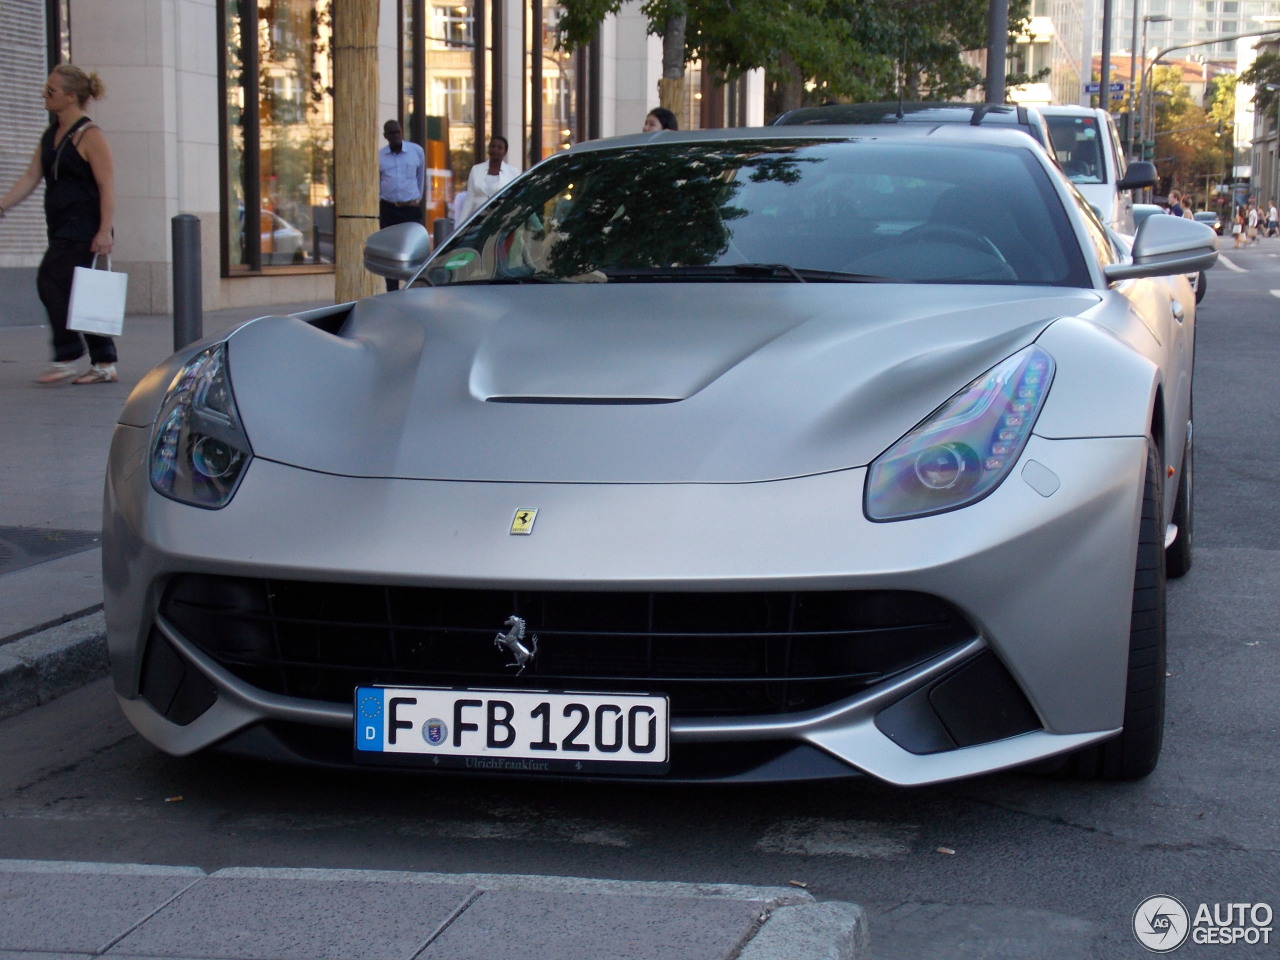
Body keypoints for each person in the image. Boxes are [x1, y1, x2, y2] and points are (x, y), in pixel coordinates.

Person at [0, 65, 117, 384]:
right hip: (61, 224)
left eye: (50, 91)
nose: (44, 95)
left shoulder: (90, 135)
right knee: (81, 292)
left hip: (86, 225)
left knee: (49, 279)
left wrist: (105, 229)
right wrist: (2, 206)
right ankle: (104, 363)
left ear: (70, 96)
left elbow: (106, 185)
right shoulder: (51, 135)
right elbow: (30, 177)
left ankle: (67, 353)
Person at [378, 119, 425, 290]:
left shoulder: (416, 151)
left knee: (412, 249)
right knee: (390, 251)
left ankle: (412, 288)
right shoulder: (380, 156)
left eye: (398, 132)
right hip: (389, 209)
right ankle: (392, 290)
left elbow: (420, 179)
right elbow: (377, 182)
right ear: (385, 136)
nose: (396, 135)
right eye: (392, 133)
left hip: (410, 209)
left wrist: (416, 199)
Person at [459, 136, 519, 221]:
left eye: (499, 148)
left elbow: (516, 198)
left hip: (501, 219)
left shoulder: (513, 172)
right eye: (493, 146)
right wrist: (460, 225)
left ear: (505, 152)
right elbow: (469, 199)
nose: (495, 150)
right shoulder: (476, 170)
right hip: (478, 220)